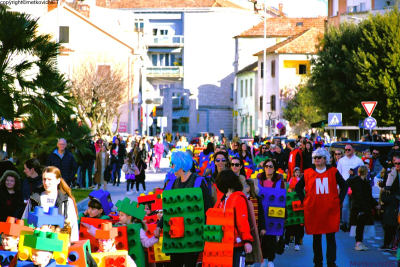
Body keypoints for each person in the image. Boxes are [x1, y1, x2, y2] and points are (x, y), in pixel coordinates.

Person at [154, 151, 212, 267]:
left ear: (181, 164)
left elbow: (208, 209)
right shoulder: (172, 184)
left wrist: (207, 232)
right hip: (175, 235)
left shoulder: (199, 182)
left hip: (193, 234)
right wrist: (159, 226)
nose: (171, 166)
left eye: (173, 164)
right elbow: (169, 211)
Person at [295, 149, 348, 267]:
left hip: (330, 209)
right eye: (315, 158)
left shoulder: (333, 171)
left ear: (325, 159)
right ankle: (317, 262)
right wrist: (304, 200)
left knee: (330, 237)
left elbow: (344, 185)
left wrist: (339, 200)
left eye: (319, 157)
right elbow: (298, 187)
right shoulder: (308, 172)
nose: (317, 159)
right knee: (316, 237)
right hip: (314, 209)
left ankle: (331, 262)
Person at [22, 166, 79, 241]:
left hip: (59, 242)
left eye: (50, 179)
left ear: (58, 180)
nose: (46, 183)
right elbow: (24, 220)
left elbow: (73, 226)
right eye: (44, 179)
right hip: (37, 241)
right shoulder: (34, 198)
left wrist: (72, 245)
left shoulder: (66, 201)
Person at [215, 170, 253, 266]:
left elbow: (242, 220)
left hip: (236, 244)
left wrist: (247, 241)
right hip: (224, 243)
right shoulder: (223, 199)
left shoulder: (237, 198)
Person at [257, 159, 286, 267]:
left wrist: (284, 214)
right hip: (261, 212)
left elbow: (283, 198)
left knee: (272, 237)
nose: (269, 169)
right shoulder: (258, 180)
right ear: (264, 168)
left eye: (271, 166)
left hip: (275, 213)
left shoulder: (279, 181)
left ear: (274, 168)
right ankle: (263, 259)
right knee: (263, 237)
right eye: (267, 166)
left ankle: (270, 260)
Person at [347, 166, 380, 251]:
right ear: (365, 172)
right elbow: (362, 196)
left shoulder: (361, 181)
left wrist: (375, 205)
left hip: (360, 207)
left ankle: (359, 242)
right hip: (359, 208)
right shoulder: (359, 182)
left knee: (360, 226)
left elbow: (367, 196)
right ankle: (358, 243)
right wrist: (367, 208)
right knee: (359, 226)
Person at [336, 144, 364, 232]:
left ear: (353, 150)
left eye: (349, 149)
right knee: (345, 205)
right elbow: (338, 174)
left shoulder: (358, 161)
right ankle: (345, 223)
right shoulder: (341, 161)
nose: (347, 151)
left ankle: (353, 224)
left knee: (355, 206)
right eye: (346, 150)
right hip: (344, 185)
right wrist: (338, 187)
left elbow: (363, 173)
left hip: (356, 186)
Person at [379, 155, 400, 250]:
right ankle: (388, 243)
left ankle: (395, 243)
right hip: (392, 200)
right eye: (396, 163)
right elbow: (387, 186)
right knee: (389, 223)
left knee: (397, 223)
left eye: (399, 163)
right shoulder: (392, 172)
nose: (397, 165)